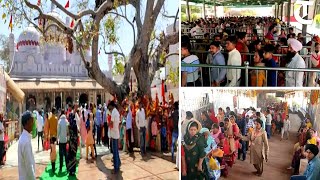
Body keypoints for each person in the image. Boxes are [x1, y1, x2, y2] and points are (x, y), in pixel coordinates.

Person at [18, 111, 36, 180]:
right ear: (28, 122)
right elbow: (29, 166)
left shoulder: (25, 138)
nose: (33, 123)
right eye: (32, 121)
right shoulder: (25, 141)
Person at [108, 101, 121, 174]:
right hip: (116, 132)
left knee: (115, 151)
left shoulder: (113, 112)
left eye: (109, 106)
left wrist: (108, 124)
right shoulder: (116, 112)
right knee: (116, 150)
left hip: (114, 133)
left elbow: (112, 123)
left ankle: (116, 168)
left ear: (111, 106)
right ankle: (118, 163)